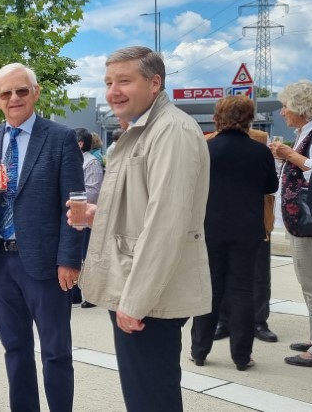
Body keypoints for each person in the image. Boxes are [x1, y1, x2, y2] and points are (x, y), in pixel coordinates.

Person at [75, 46, 211, 412]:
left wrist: (135, 301)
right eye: (108, 82)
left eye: (124, 81)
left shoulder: (171, 131)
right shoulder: (143, 130)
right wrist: (98, 215)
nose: (113, 91)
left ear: (154, 83)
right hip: (138, 286)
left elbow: (166, 224)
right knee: (144, 394)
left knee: (151, 398)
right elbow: (141, 207)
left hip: (149, 295)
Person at [0, 63, 84, 412]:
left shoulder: (60, 137)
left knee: (56, 352)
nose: (14, 98)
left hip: (46, 265)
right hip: (0, 263)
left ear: (35, 93)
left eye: (21, 91)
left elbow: (74, 203)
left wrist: (69, 259)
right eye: (6, 93)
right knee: (15, 350)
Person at [189, 95, 278, 371]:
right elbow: (271, 187)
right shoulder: (260, 151)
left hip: (211, 227)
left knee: (210, 289)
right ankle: (242, 356)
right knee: (242, 290)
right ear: (250, 118)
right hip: (247, 229)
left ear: (217, 117)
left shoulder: (206, 148)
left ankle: (199, 351)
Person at [269, 80, 312, 368]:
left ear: (301, 108)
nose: (282, 112)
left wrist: (289, 155)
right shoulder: (308, 131)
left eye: (285, 106)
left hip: (310, 222)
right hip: (303, 221)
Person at [210, 126, 280, 344]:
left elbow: (269, 184)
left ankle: (258, 321)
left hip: (255, 217)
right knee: (221, 274)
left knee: (259, 274)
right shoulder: (209, 142)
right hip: (221, 217)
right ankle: (224, 320)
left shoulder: (259, 139)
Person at [72, 127, 104, 308]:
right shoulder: (73, 160)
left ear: (80, 143)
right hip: (75, 217)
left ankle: (93, 295)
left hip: (87, 219)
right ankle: (75, 293)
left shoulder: (91, 162)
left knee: (88, 257)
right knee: (75, 256)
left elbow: (92, 192)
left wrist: (70, 197)